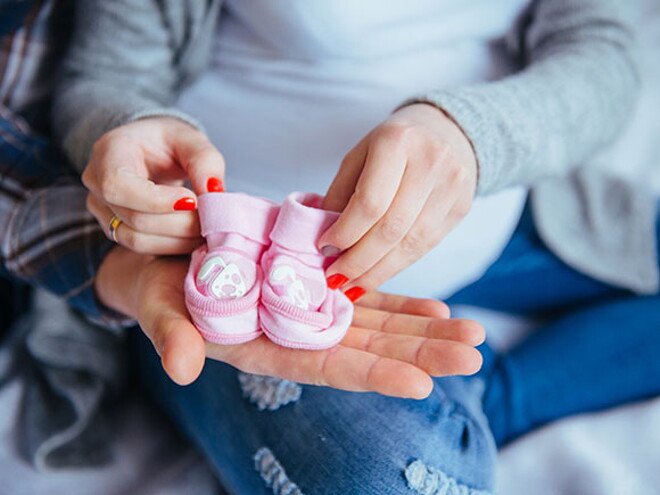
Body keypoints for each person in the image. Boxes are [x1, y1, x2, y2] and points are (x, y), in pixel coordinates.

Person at [53, 0, 660, 493]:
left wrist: (474, 138)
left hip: (502, 215)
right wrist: (121, 132)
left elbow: (604, 56)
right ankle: (451, 409)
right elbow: (103, 74)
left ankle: (493, 398)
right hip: (218, 268)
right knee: (388, 482)